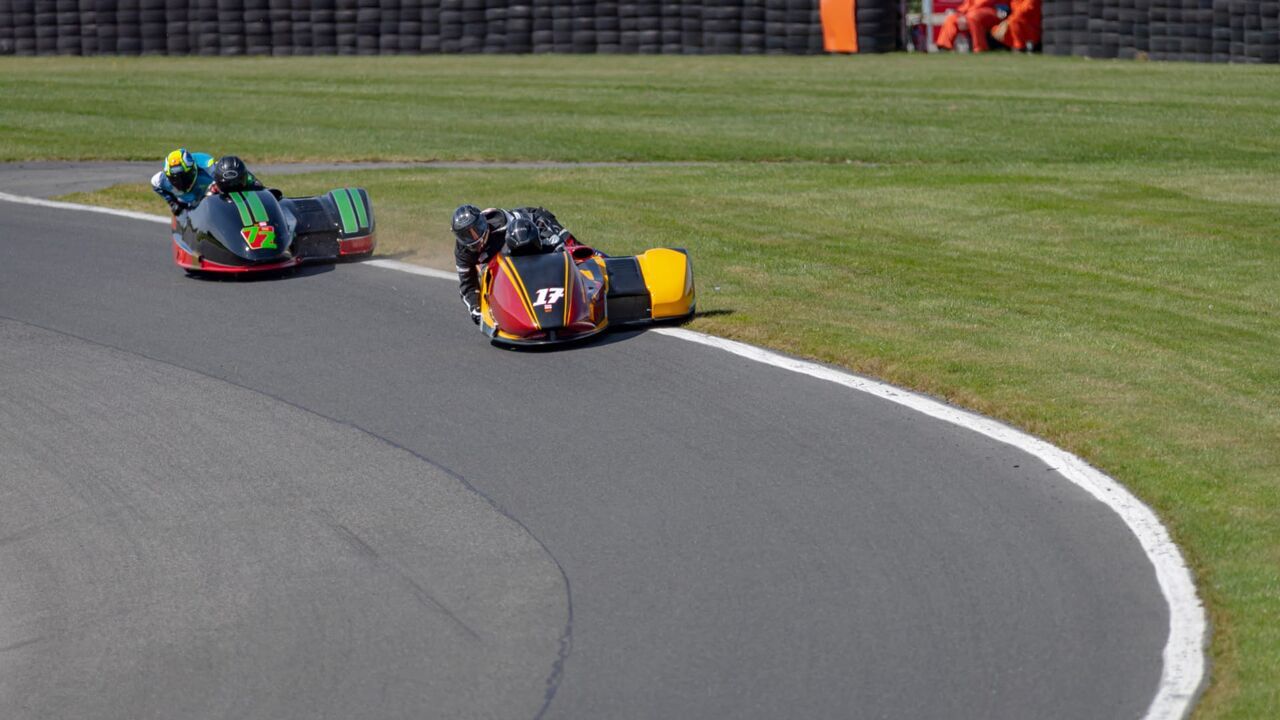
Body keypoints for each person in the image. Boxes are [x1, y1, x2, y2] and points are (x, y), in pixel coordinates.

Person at [451, 204, 575, 324]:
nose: (474, 236)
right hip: (504, 257)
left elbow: (529, 225)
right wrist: (475, 307)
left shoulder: (501, 221)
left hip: (535, 222)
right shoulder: (462, 253)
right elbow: (467, 285)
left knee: (568, 248)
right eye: (465, 235)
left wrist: (557, 245)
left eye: (476, 229)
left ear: (482, 222)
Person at [151, 148, 216, 215]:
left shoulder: (208, 168)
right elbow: (155, 184)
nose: (180, 183)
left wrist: (216, 188)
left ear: (193, 169)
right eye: (174, 179)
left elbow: (221, 173)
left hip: (209, 198)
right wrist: (172, 202)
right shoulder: (161, 180)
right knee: (177, 214)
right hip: (186, 202)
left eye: (184, 177)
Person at [935, 0, 1003, 53]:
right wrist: (959, 12)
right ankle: (944, 46)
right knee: (952, 18)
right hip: (971, 12)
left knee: (972, 17)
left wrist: (965, 15)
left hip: (993, 11)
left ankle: (979, 48)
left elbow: (983, 3)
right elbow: (967, 4)